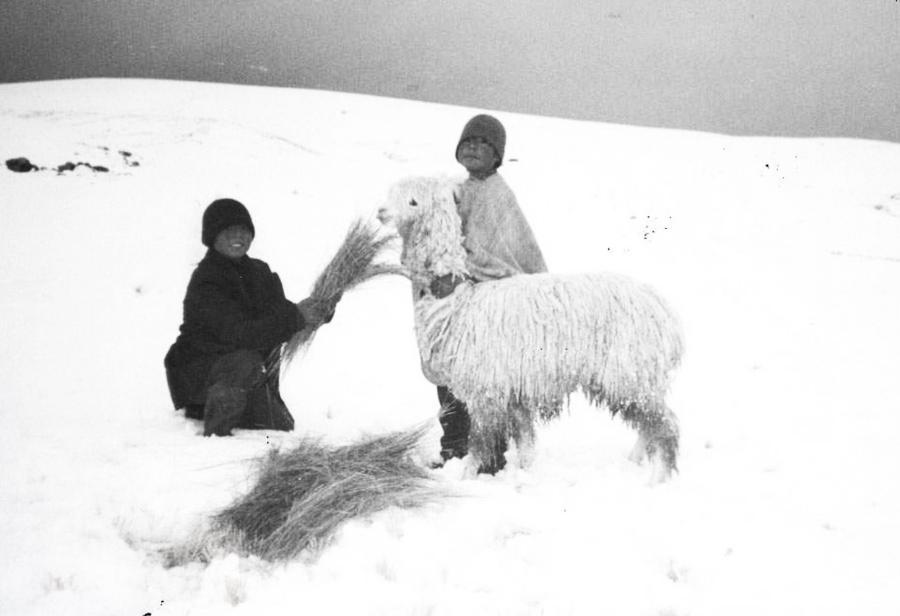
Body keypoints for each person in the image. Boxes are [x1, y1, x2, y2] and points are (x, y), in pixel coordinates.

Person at [433, 114, 548, 472]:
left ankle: (491, 451)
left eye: (483, 143)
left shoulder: (498, 194)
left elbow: (503, 254)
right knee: (451, 372)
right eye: (467, 141)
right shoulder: (455, 191)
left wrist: (466, 272)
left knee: (489, 378)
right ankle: (455, 445)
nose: (472, 147)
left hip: (497, 305)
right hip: (463, 304)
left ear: (497, 155)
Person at [164, 198, 336, 437]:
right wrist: (296, 316)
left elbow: (280, 315)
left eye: (244, 230)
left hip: (246, 372)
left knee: (280, 427)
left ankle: (236, 407)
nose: (239, 236)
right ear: (212, 236)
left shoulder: (259, 272)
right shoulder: (206, 280)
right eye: (229, 230)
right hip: (200, 372)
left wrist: (319, 309)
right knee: (244, 360)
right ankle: (215, 432)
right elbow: (240, 334)